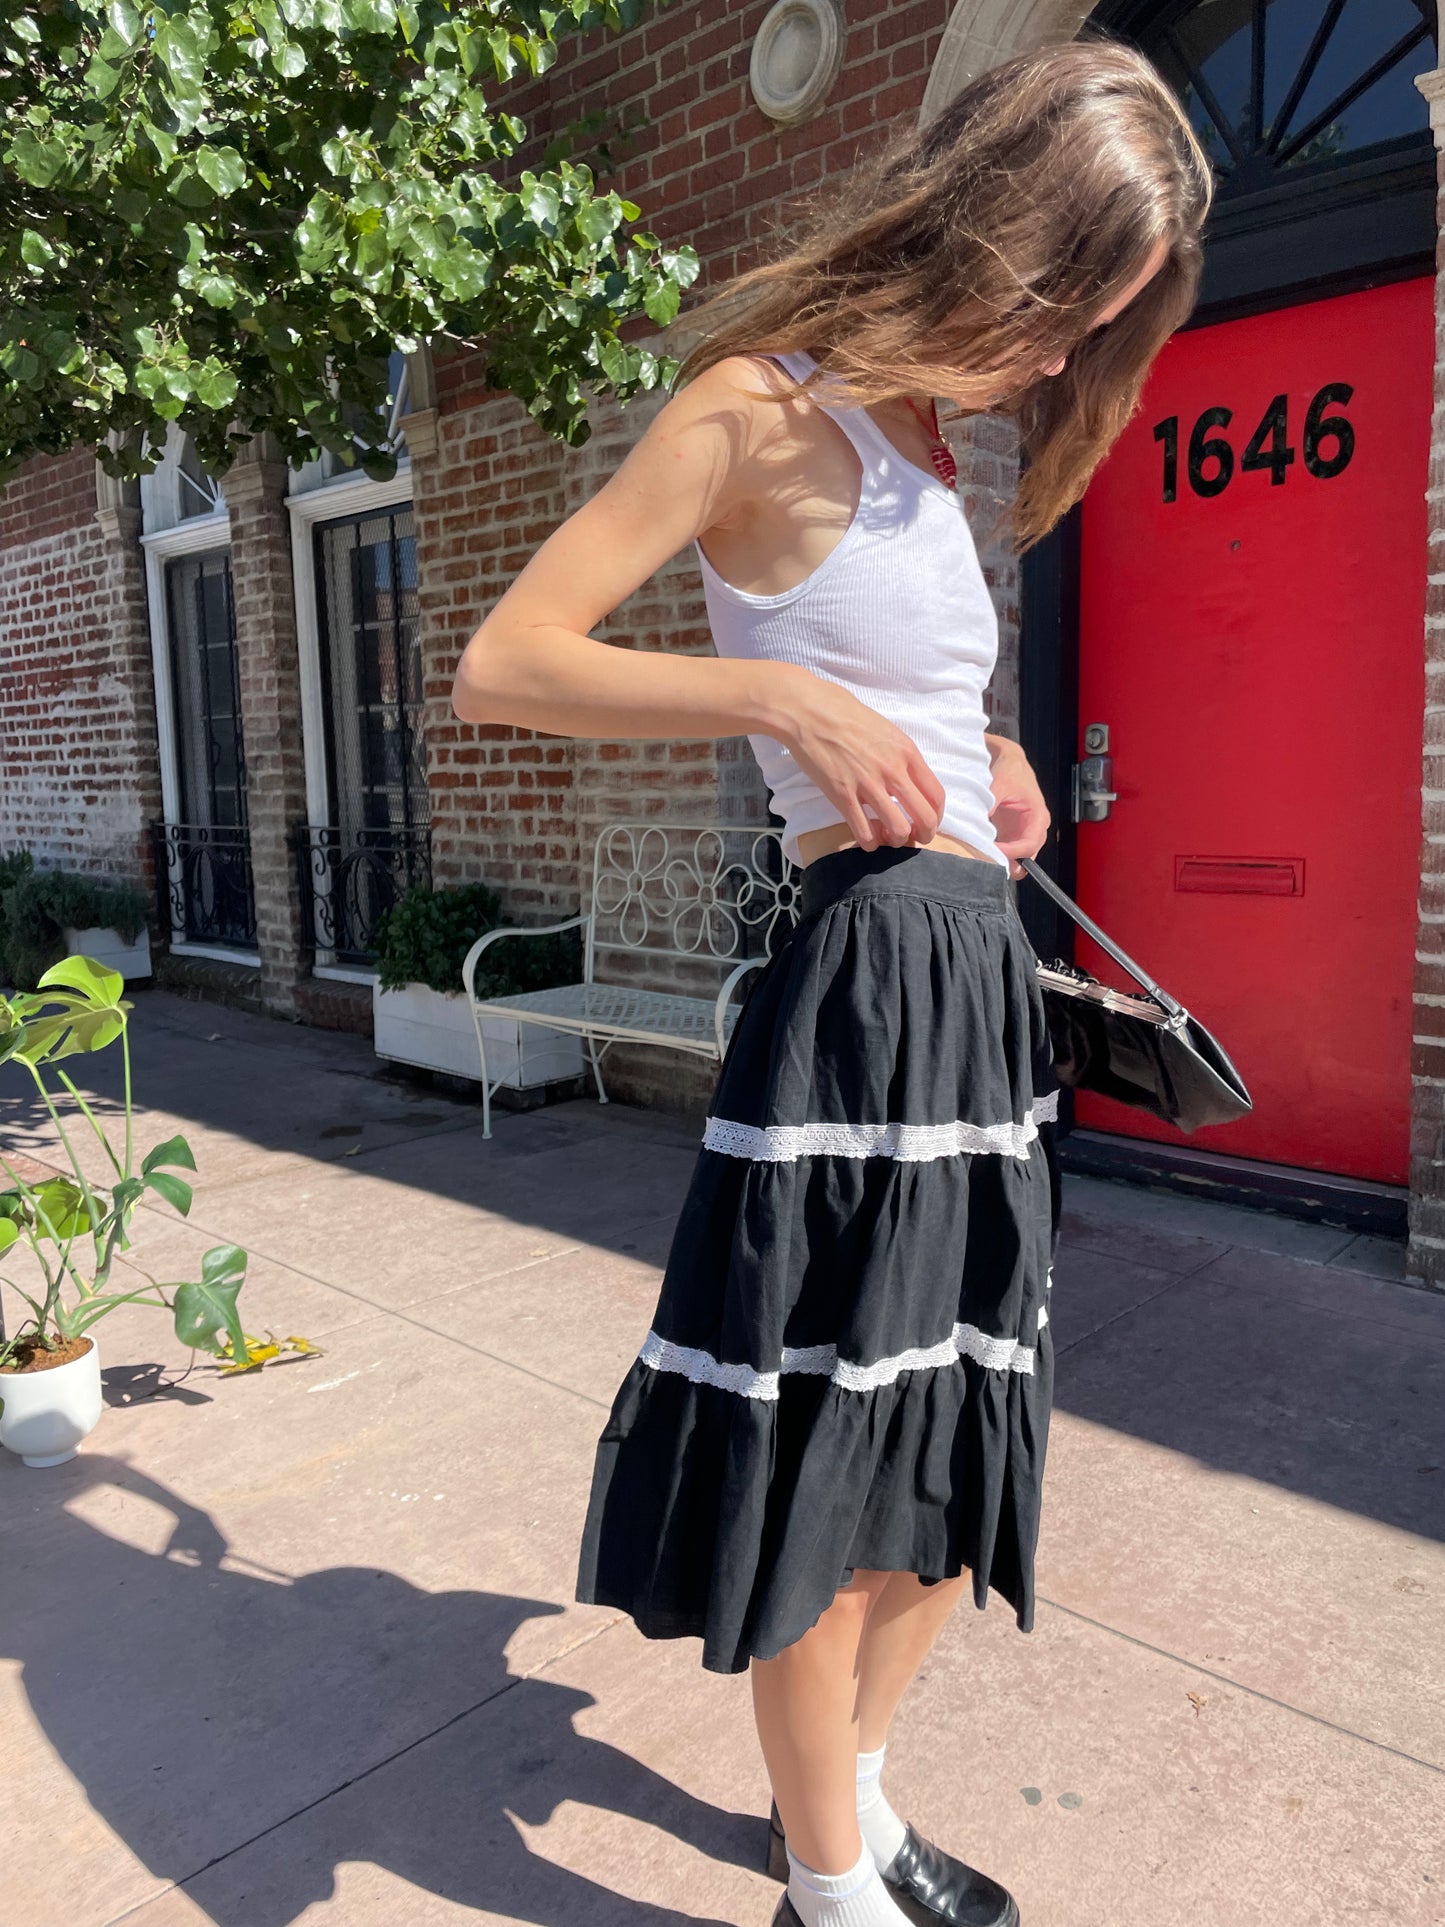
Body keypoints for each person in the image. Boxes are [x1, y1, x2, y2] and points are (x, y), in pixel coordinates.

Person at [452, 34, 1212, 1927]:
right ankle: (824, 1884)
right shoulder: (748, 411)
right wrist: (770, 694)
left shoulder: (927, 447)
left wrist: (992, 765)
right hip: (864, 980)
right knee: (831, 1439)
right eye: (1063, 312)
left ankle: (849, 1807)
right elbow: (508, 658)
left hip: (976, 969)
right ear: (995, 238)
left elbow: (909, 686)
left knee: (962, 1424)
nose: (1057, 362)